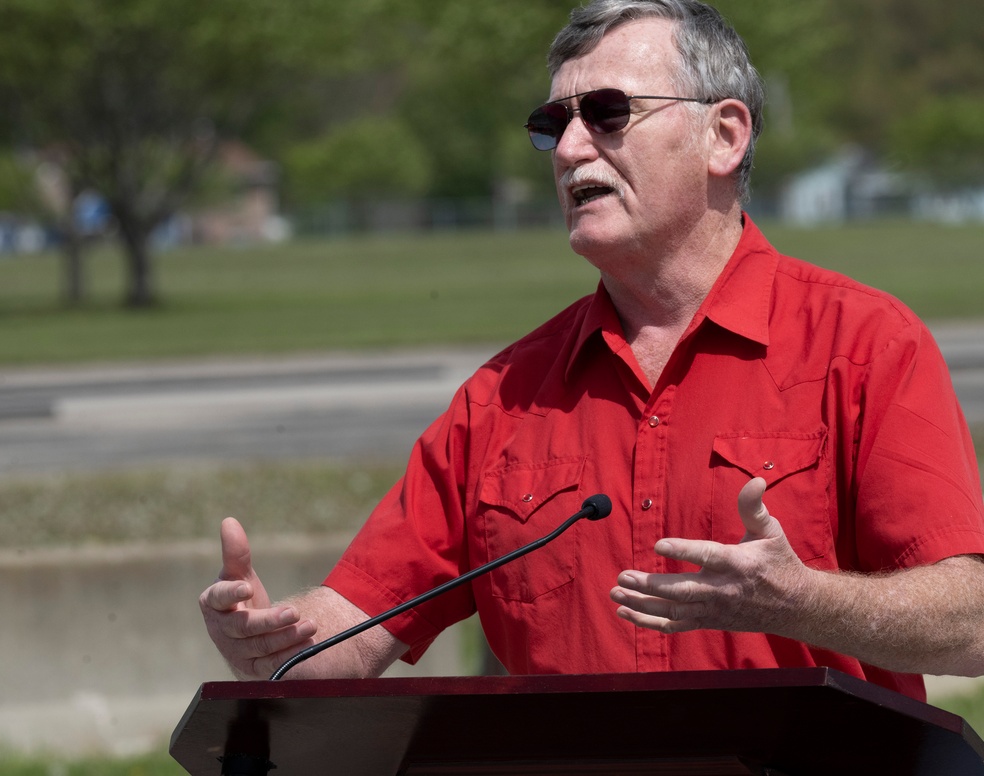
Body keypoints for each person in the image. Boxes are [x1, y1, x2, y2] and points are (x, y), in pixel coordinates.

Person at [200, 0, 984, 702]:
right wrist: (273, 640)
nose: (570, 148)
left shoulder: (867, 346)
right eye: (552, 124)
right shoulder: (502, 397)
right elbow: (354, 636)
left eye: (608, 114)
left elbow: (972, 623)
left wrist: (803, 600)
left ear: (724, 134)